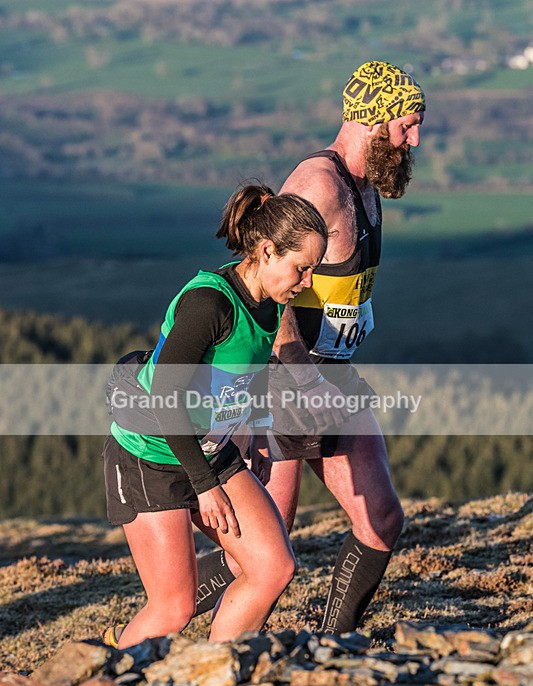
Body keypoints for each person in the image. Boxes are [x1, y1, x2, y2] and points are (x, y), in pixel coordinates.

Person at [193, 60, 426, 634]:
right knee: (268, 541)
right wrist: (300, 372)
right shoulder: (317, 186)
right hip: (284, 381)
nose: (414, 139)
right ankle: (169, 625)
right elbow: (269, 288)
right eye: (406, 126)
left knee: (382, 519)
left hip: (333, 376)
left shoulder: (367, 187)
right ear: (372, 120)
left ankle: (332, 645)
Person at [102, 183, 328, 648]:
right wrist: (204, 486)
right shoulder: (210, 304)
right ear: (267, 251)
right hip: (151, 454)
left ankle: (218, 675)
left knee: (273, 567)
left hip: (210, 449)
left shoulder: (269, 302)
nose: (307, 283)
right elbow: (166, 397)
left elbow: (248, 372)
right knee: (174, 608)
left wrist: (259, 433)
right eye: (302, 269)